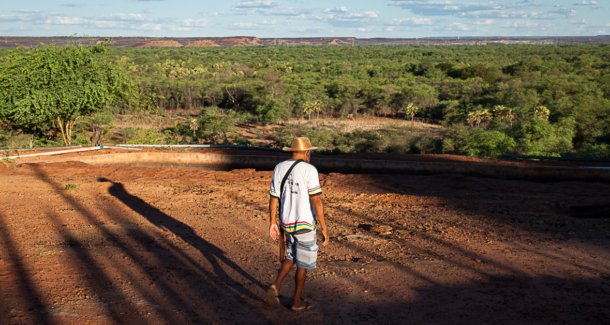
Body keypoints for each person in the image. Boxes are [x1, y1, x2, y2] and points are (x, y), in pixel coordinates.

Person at [265, 137, 329, 311]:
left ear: (291, 151)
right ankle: (297, 302)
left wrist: (272, 222)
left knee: (291, 256)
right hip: (305, 224)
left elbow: (273, 198)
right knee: (303, 264)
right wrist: (324, 228)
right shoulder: (310, 170)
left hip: (286, 223)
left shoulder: (279, 167)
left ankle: (275, 286)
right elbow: (316, 201)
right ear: (307, 152)